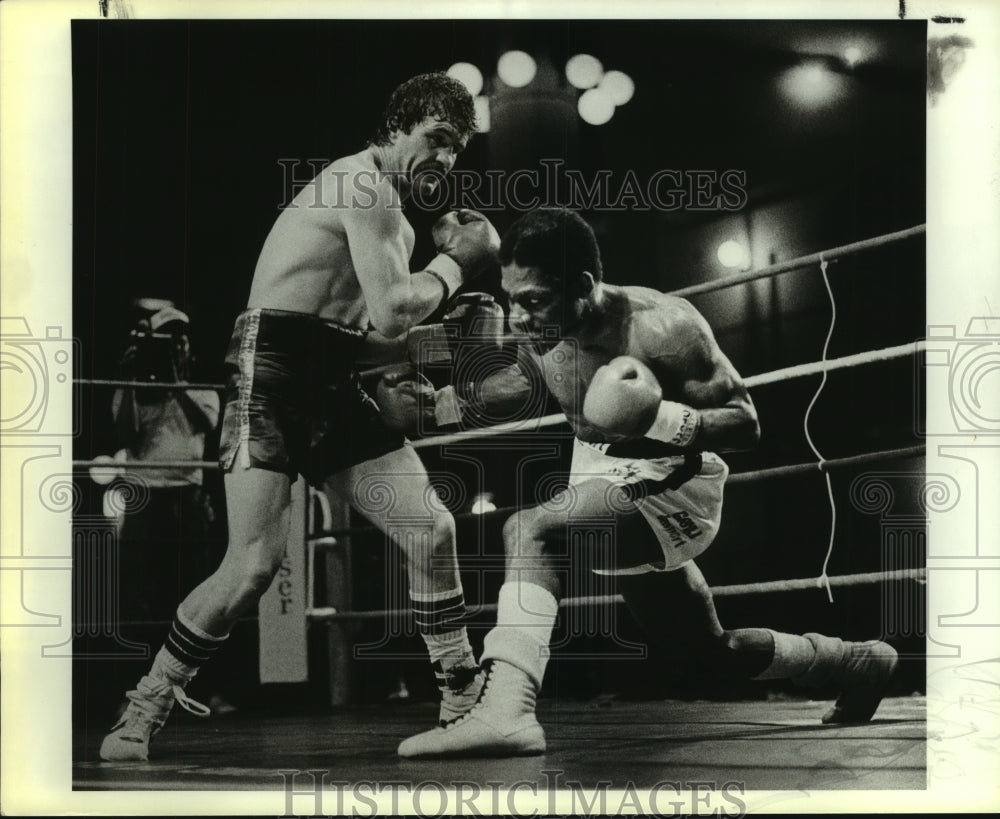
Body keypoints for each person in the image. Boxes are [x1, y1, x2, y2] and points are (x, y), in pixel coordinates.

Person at [388, 208, 899, 758]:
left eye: (533, 300)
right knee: (708, 654)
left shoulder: (664, 327)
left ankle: (505, 709)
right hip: (599, 469)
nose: (518, 317)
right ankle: (854, 661)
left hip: (669, 477)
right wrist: (440, 408)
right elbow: (534, 377)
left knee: (531, 529)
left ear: (582, 285)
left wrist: (655, 418)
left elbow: (746, 424)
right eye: (512, 299)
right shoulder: (545, 321)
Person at [100, 72, 501, 761]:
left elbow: (373, 330)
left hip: (332, 379)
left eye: (457, 149)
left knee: (430, 527)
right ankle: (144, 705)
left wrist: (455, 327)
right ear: (398, 126)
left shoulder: (391, 215)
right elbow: (393, 309)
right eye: (436, 139)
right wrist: (458, 269)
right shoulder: (360, 185)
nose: (445, 159)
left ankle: (462, 697)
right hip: (269, 378)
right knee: (252, 564)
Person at [111, 306, 220, 624]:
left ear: (190, 348)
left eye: (180, 341)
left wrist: (174, 382)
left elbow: (206, 423)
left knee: (191, 582)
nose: (175, 348)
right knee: (143, 585)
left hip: (186, 497)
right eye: (166, 342)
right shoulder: (134, 390)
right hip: (144, 498)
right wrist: (130, 379)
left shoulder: (203, 392)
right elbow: (126, 436)